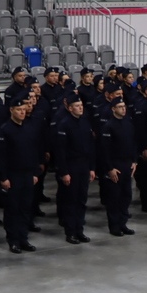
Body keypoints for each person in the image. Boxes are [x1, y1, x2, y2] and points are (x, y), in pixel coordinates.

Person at [0, 92, 43, 252]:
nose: (22, 112)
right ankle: (13, 240)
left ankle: (23, 238)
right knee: (12, 210)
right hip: (12, 176)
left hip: (28, 174)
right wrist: (3, 177)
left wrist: (35, 173)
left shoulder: (29, 127)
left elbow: (34, 151)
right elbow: (0, 157)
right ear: (11, 110)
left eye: (24, 109)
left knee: (25, 208)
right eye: (19, 110)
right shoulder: (5, 130)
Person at [53, 93, 95, 243]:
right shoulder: (64, 124)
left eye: (81, 106)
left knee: (81, 200)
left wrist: (91, 168)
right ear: (70, 108)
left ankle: (80, 230)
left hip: (84, 165)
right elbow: (61, 151)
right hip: (71, 166)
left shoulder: (85, 122)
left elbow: (90, 147)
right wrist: (64, 172)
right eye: (77, 106)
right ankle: (70, 232)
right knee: (70, 201)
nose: (80, 108)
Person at [96, 96, 138, 236]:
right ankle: (114, 226)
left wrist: (134, 161)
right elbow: (104, 150)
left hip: (127, 164)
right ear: (113, 109)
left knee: (126, 196)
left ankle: (123, 223)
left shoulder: (129, 123)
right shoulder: (108, 126)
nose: (123, 109)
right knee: (114, 197)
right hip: (115, 165)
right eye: (120, 107)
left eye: (124, 107)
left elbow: (133, 144)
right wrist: (109, 168)